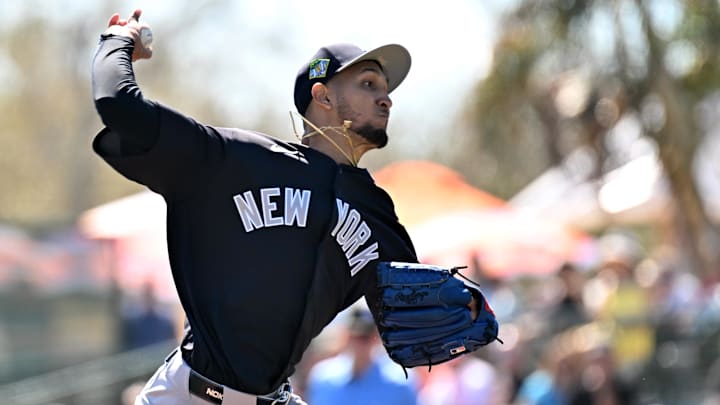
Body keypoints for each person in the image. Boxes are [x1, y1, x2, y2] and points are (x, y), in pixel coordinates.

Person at [92, 8, 487, 405]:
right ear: (323, 95)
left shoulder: (376, 212)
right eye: (368, 83)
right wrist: (119, 41)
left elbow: (412, 318)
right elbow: (119, 104)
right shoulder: (235, 161)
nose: (385, 99)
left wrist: (464, 307)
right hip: (188, 396)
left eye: (385, 89)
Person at [305, 307, 419, 405]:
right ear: (346, 336)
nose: (359, 345)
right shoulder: (322, 378)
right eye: (355, 336)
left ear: (377, 338)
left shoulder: (399, 382)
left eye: (365, 338)